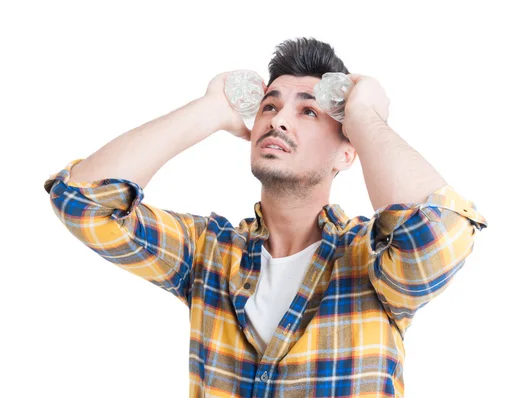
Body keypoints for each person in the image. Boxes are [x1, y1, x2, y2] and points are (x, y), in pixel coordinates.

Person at [43, 36, 488, 397]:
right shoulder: (210, 253)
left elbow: (439, 236)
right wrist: (211, 110)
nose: (278, 121)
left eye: (308, 111)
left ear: (348, 151)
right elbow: (83, 203)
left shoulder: (372, 262)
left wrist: (363, 115)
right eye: (269, 106)